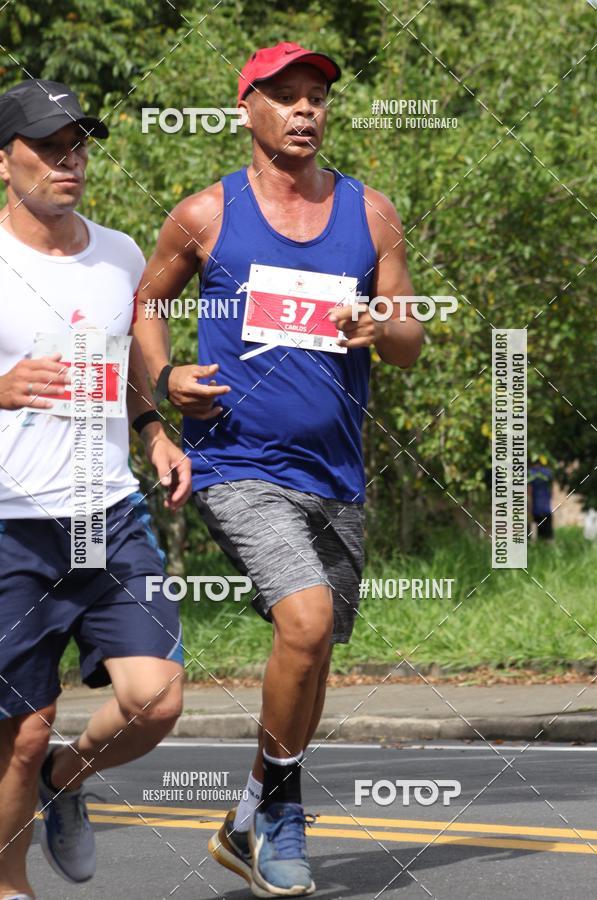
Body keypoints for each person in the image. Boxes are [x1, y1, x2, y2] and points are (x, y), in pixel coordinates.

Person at [133, 40, 424, 896]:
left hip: (336, 473)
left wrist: (382, 325)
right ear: (247, 109)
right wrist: (164, 380)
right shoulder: (205, 215)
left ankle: (249, 813)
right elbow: (146, 305)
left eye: (317, 98)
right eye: (285, 96)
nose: (305, 111)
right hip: (238, 462)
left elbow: (409, 338)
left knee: (317, 650)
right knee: (304, 621)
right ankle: (285, 813)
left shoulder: (370, 214)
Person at [0, 80, 191, 900]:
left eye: (77, 143)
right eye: (47, 144)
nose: (67, 159)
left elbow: (131, 374)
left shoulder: (118, 254)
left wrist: (154, 433)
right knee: (20, 730)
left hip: (106, 511)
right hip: (11, 524)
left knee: (157, 698)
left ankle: (67, 779)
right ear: (3, 159)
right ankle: (11, 886)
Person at [528, 459, 554, 541]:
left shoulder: (530, 473)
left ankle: (535, 547)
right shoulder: (548, 473)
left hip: (536, 510)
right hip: (546, 509)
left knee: (534, 537)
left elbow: (529, 492)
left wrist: (529, 509)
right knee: (548, 537)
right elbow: (552, 490)